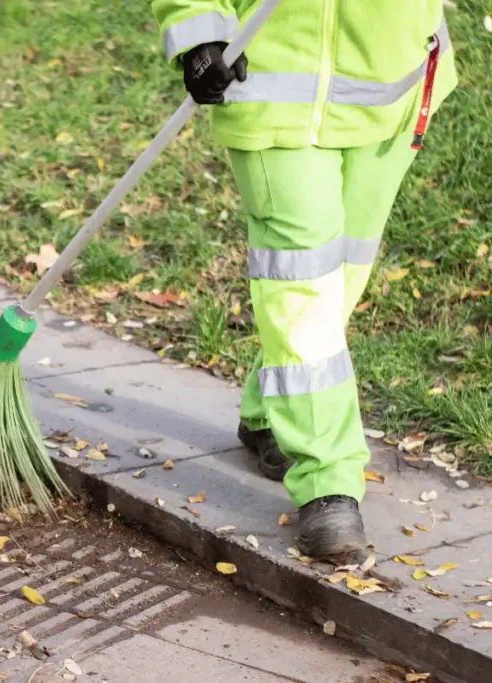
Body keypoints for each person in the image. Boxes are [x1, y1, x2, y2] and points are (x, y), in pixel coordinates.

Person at [150, 0, 457, 560]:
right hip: (272, 91)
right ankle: (328, 482)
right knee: (303, 287)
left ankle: (269, 410)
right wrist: (197, 31)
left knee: (342, 276)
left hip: (392, 91)